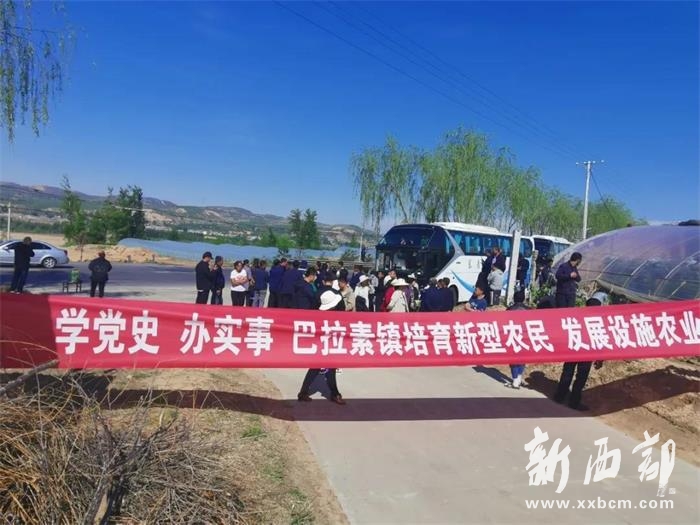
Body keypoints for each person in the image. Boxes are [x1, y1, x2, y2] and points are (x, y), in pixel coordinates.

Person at [553, 297, 605, 410]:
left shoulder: (577, 317)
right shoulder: (597, 322)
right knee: (581, 378)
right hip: (587, 354)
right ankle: (574, 402)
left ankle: (560, 396)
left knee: (567, 373)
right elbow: (600, 340)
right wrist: (600, 358)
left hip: (573, 350)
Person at [297, 289, 346, 405]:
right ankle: (335, 394)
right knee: (328, 368)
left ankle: (303, 392)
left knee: (317, 368)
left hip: (325, 345)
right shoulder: (323, 316)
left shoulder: (330, 314)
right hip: (323, 346)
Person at [505, 289, 529, 388]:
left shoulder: (509, 309)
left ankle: (515, 380)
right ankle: (518, 378)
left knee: (513, 359)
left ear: (514, 299)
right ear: (523, 299)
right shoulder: (529, 310)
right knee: (522, 358)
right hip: (525, 336)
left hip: (513, 335)